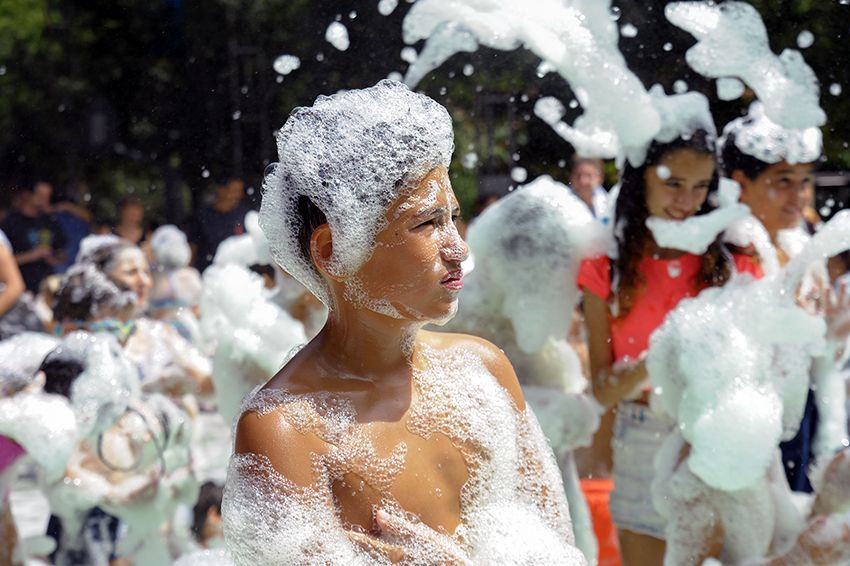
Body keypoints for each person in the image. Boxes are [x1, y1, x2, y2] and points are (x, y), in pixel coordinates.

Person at [224, 80, 587, 564]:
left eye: (453, 218)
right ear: (334, 250)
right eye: (427, 223)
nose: (458, 247)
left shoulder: (482, 371)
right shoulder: (286, 429)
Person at [578, 118, 762, 565]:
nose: (687, 201)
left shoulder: (734, 262)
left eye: (700, 187)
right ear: (640, 179)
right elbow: (601, 390)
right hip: (639, 436)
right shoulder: (606, 266)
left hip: (718, 434)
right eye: (674, 183)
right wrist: (661, 356)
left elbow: (762, 373)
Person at [720, 102, 846, 493]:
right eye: (784, 180)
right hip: (740, 418)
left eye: (805, 181)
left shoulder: (803, 249)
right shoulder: (724, 255)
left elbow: (818, 353)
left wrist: (833, 336)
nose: (799, 195)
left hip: (797, 409)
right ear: (741, 182)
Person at [1, 178, 67, 292]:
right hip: (20, 289)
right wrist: (32, 255)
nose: (45, 200)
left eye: (48, 196)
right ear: (27, 195)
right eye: (40, 195)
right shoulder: (10, 223)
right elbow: (4, 263)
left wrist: (53, 257)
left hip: (46, 287)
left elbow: (62, 254)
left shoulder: (50, 221)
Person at [190, 176, 251, 272]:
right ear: (221, 190)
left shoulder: (244, 215)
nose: (238, 196)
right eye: (234, 191)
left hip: (237, 273)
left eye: (240, 191)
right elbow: (193, 246)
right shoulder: (203, 215)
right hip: (207, 272)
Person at [569, 157, 609, 222]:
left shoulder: (609, 204)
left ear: (599, 178)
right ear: (571, 177)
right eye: (578, 175)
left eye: (588, 175)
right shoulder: (562, 202)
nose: (582, 181)